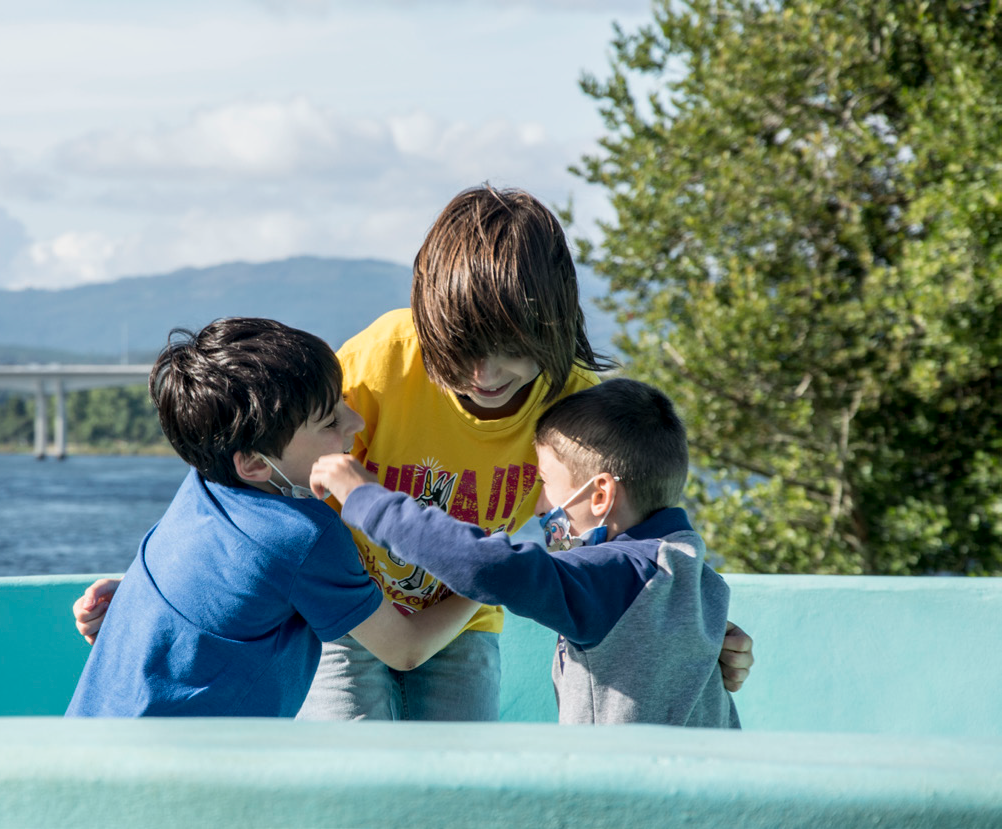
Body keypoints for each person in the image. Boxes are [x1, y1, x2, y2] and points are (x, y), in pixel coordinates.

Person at [73, 185, 755, 720]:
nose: (484, 375)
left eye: (510, 351)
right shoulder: (375, 362)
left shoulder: (579, 412)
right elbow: (247, 479)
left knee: (455, 785)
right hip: (351, 604)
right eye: (459, 353)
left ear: (554, 326)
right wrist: (157, 601)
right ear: (429, 325)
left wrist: (684, 629)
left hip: (466, 622)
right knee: (352, 772)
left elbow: (634, 520)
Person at [66, 318, 481, 717]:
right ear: (253, 464)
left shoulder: (201, 488)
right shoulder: (306, 536)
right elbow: (405, 650)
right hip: (179, 777)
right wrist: (484, 579)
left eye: (345, 403)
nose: (356, 423)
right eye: (330, 421)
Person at [309, 378, 739, 727]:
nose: (538, 507)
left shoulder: (611, 576)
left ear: (601, 494)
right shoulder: (692, 574)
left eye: (547, 484)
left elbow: (486, 565)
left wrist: (366, 498)